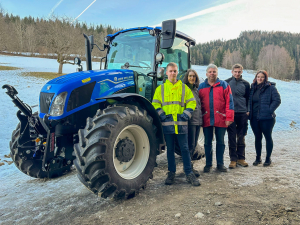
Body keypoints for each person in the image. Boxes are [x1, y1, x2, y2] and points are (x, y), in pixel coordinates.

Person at [152, 62, 200, 186]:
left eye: (175, 71)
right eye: (171, 71)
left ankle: (189, 173)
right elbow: (155, 104)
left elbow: (192, 103)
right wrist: (162, 115)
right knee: (170, 150)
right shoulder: (161, 89)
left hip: (181, 124)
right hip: (167, 125)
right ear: (167, 73)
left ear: (177, 72)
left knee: (184, 149)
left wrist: (186, 114)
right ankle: (171, 173)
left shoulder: (184, 88)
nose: (173, 73)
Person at [198, 64, 234, 172]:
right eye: (210, 72)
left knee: (220, 142)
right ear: (206, 74)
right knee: (207, 143)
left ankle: (220, 164)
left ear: (217, 73)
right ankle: (208, 164)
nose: (212, 74)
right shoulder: (201, 87)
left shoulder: (224, 85)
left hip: (221, 118)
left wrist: (229, 118)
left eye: (214, 72)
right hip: (206, 118)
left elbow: (230, 102)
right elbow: (198, 104)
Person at [248, 70, 281, 166]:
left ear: (265, 78)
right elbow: (250, 101)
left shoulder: (271, 88)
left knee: (268, 137)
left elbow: (277, 100)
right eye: (258, 77)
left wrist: (269, 110)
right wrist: (249, 111)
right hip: (254, 117)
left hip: (267, 118)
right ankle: (258, 158)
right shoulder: (253, 88)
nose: (260, 78)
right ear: (256, 77)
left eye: (262, 77)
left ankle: (268, 158)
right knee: (257, 138)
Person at [225, 64, 250, 169]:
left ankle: (241, 158)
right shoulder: (226, 83)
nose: (237, 73)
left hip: (242, 113)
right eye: (235, 71)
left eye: (239, 72)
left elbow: (249, 98)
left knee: (241, 136)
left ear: (242, 72)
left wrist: (248, 111)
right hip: (231, 113)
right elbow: (224, 98)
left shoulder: (246, 84)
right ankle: (233, 160)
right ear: (232, 72)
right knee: (232, 137)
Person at [182, 69, 203, 177]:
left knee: (194, 145)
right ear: (187, 77)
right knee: (189, 145)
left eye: (194, 76)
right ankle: (188, 168)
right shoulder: (184, 90)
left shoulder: (196, 90)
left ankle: (189, 167)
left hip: (197, 121)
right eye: (190, 76)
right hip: (190, 122)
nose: (192, 78)